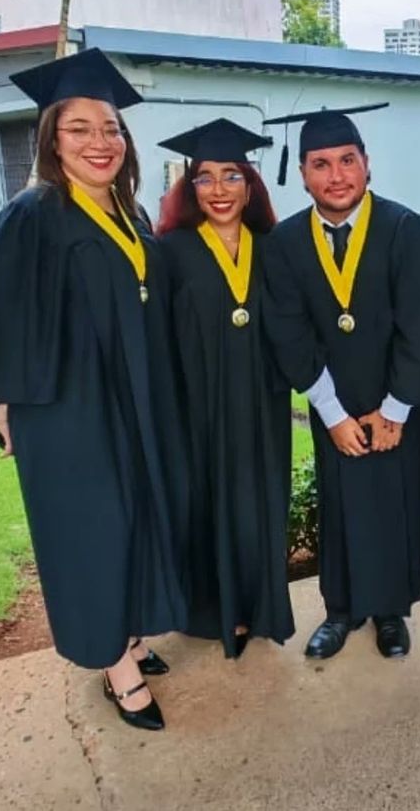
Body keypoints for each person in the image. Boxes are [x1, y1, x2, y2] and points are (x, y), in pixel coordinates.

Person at [0, 49, 190, 731]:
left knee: (138, 518)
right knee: (91, 532)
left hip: (137, 404)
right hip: (69, 412)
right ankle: (115, 667)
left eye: (111, 128)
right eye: (80, 129)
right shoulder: (30, 217)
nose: (100, 142)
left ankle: (127, 632)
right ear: (51, 138)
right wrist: (5, 406)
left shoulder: (134, 216)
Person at [262, 104, 420, 660]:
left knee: (394, 503)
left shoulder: (404, 230)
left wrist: (395, 409)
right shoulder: (285, 243)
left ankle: (391, 613)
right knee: (339, 506)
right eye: (321, 164)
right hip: (332, 404)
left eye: (347, 160)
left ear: (367, 164)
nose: (336, 175)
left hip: (396, 405)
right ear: (303, 174)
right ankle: (341, 610)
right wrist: (334, 414)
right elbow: (289, 333)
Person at [156, 119, 295, 658]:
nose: (218, 190)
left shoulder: (273, 247)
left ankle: (259, 607)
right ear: (190, 188)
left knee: (260, 504)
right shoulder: (170, 253)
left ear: (249, 185)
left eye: (230, 176)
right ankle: (213, 610)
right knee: (207, 503)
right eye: (205, 178)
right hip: (200, 407)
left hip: (262, 404)